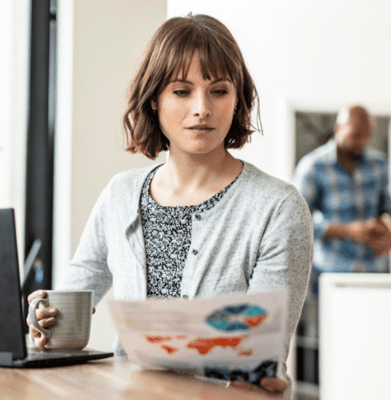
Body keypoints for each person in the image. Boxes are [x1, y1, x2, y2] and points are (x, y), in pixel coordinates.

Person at [28, 13, 313, 397]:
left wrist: (256, 372)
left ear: (237, 98)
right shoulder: (120, 194)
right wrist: (43, 317)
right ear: (154, 100)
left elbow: (263, 351)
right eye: (181, 91)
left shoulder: (277, 207)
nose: (202, 108)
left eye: (219, 90)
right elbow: (68, 303)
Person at [292, 105, 391, 281]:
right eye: (356, 136)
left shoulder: (379, 164)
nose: (362, 142)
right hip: (330, 271)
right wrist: (348, 231)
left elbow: (389, 211)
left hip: (374, 271)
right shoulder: (313, 166)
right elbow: (296, 222)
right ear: (338, 128)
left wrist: (386, 233)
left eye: (367, 136)